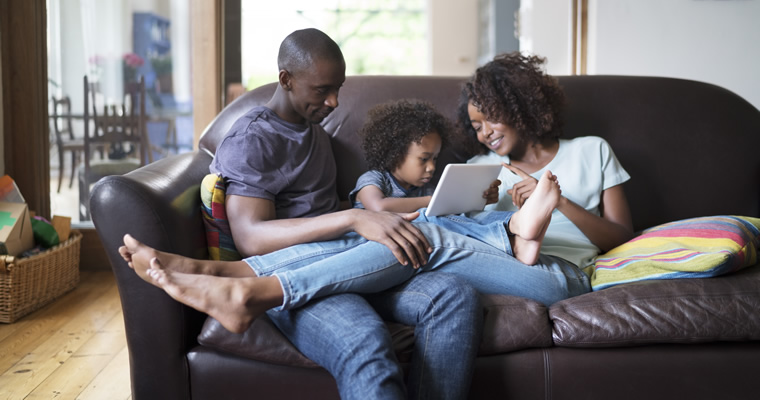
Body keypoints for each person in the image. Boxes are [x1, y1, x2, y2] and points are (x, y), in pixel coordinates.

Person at [125, 28, 485, 400]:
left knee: (455, 295)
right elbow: (252, 236)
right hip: (294, 276)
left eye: (338, 89)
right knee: (365, 342)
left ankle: (200, 271)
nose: (333, 102)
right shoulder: (254, 138)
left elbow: (327, 210)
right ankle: (223, 281)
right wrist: (353, 219)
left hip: (348, 261)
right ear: (286, 80)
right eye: (322, 90)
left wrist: (371, 215)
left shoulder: (315, 133)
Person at [458, 51, 635, 274]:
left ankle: (528, 238)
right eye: (476, 127)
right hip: (500, 264)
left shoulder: (592, 151)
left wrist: (557, 200)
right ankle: (520, 235)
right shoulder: (478, 168)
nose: (485, 133)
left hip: (564, 270)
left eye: (492, 118)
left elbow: (622, 239)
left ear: (519, 107)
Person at [350, 98, 555, 264]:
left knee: (466, 218)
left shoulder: (426, 188)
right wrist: (434, 200)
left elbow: (457, 221)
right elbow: (378, 207)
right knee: (432, 217)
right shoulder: (374, 178)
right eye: (424, 159)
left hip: (424, 247)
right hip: (372, 247)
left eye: (435, 159)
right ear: (395, 154)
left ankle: (515, 225)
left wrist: (477, 199)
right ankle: (513, 236)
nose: (431, 167)